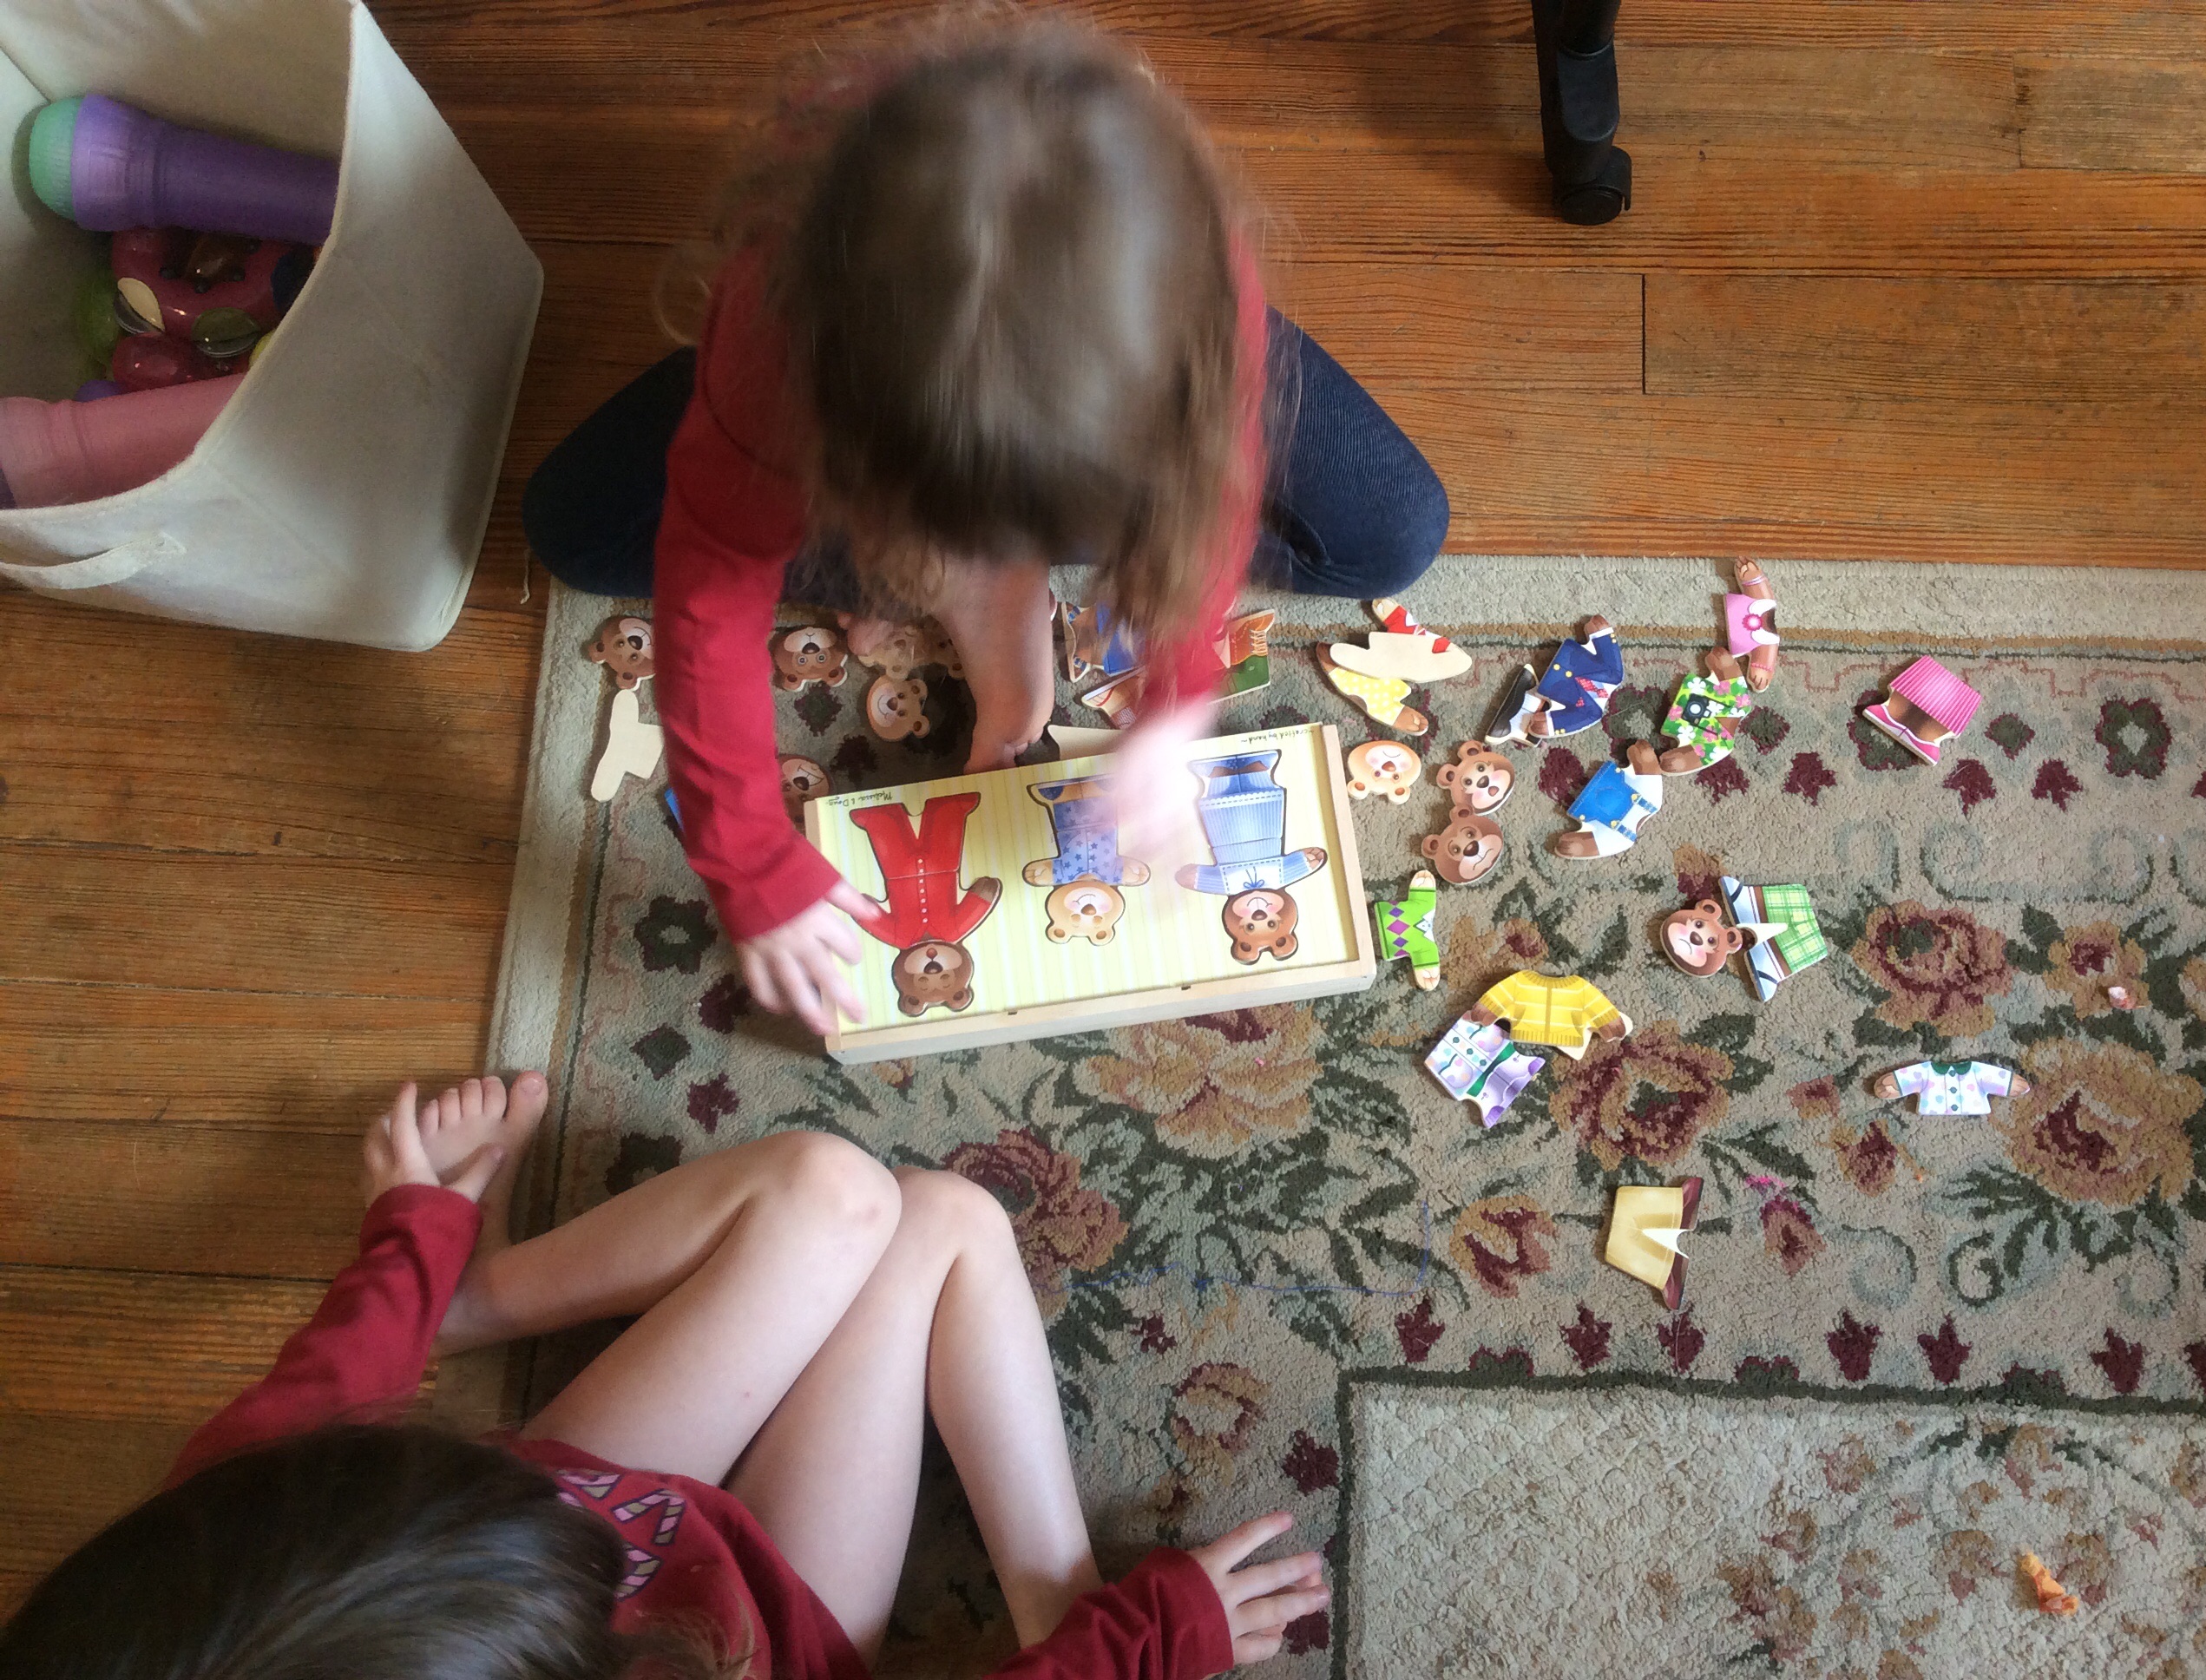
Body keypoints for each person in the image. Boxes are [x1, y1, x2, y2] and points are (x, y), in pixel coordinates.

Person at [521, 17, 1449, 1040]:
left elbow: (1208, 494)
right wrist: (745, 856)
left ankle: (974, 569)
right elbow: (710, 590)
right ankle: (964, 578)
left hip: (1081, 377)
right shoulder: (771, 353)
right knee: (571, 530)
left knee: (1393, 536)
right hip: (836, 377)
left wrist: (1175, 699)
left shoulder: (1189, 289)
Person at [0, 1074, 1328, 1680]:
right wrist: (1140, 1642)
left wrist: (414, 1238)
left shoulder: (225, 1552)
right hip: (765, 1629)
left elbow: (322, 1399)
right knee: (944, 1222)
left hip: (616, 1513)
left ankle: (477, 1302)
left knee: (834, 1192)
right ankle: (1062, 1615)